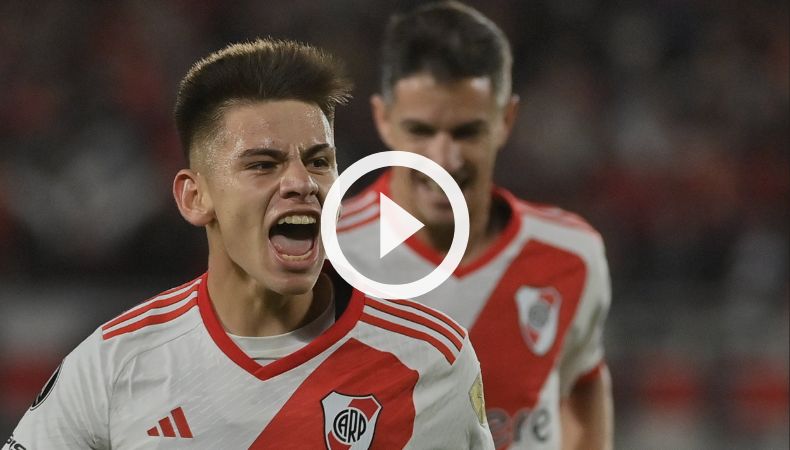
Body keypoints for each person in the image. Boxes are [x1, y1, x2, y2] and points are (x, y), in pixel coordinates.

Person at [6, 38, 494, 449]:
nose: (302, 182)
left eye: (319, 161)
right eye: (263, 164)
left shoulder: (431, 359)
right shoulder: (113, 366)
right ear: (195, 198)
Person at [337, 2, 613, 449]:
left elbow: (584, 379)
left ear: (505, 121)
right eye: (421, 131)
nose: (444, 159)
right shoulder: (329, 258)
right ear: (383, 119)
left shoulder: (572, 254)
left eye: (466, 132)